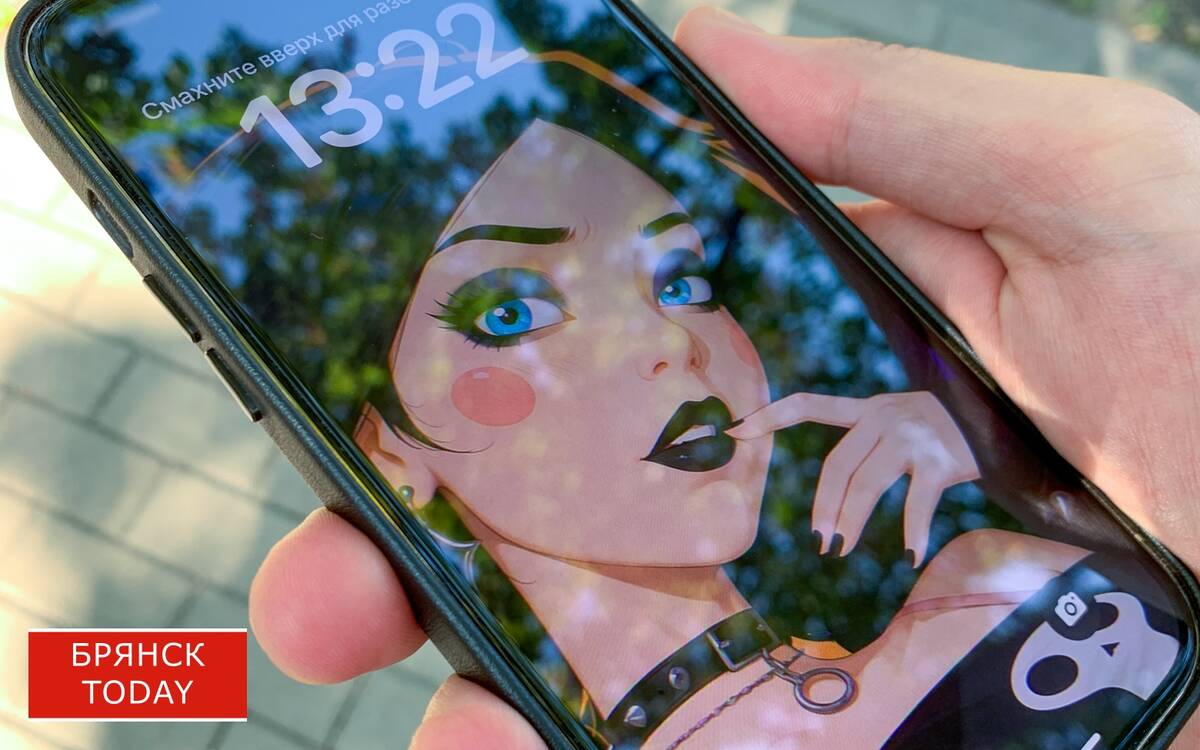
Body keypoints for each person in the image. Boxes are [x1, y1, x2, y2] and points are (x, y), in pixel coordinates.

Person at [247, 6, 1200, 748]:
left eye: (681, 280)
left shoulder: (994, 588)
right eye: (510, 313)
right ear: (388, 452)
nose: (669, 340)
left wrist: (999, 447)